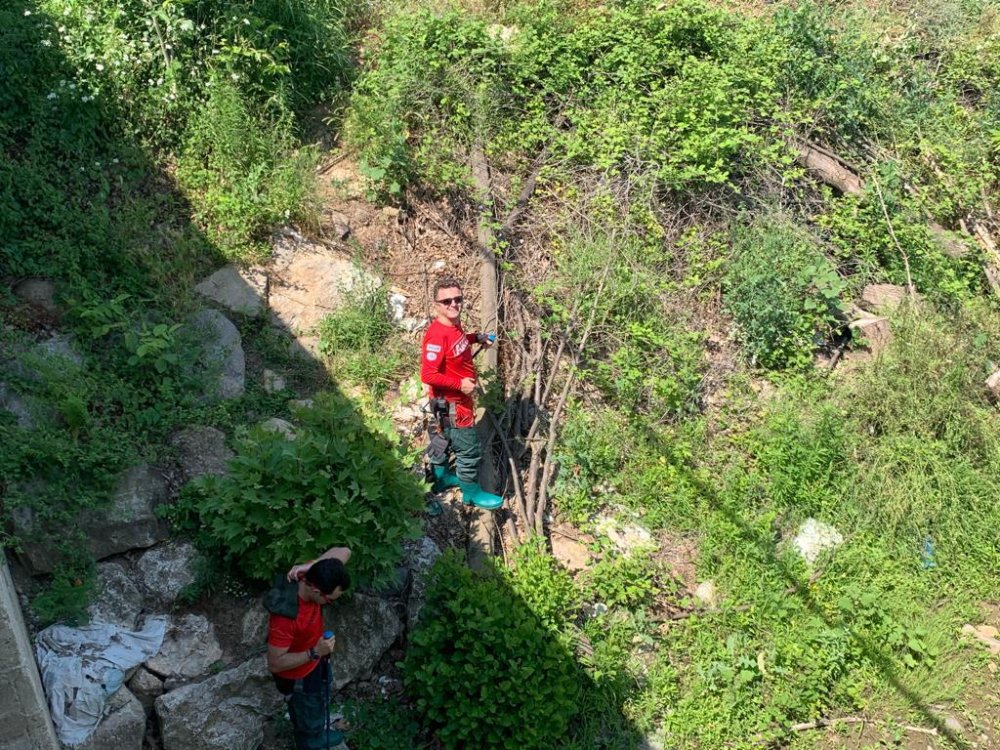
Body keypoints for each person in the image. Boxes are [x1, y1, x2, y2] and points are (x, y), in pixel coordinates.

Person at [420, 277, 502, 510]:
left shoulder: (453, 327)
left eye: (458, 299)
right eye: (447, 301)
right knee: (469, 449)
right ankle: (472, 493)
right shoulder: (436, 336)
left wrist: (477, 338)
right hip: (454, 405)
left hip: (450, 403)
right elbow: (428, 375)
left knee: (442, 439)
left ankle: (442, 478)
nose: (454, 304)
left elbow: (457, 344)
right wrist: (460, 384)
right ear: (436, 305)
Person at [265, 546, 352, 750]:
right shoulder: (285, 618)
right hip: (298, 677)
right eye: (329, 601)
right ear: (316, 591)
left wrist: (310, 565)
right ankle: (310, 741)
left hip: (315, 661)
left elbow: (345, 551)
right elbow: (275, 664)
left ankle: (315, 730)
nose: (328, 604)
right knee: (307, 711)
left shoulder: (307, 577)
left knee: (318, 701)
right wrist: (314, 652)